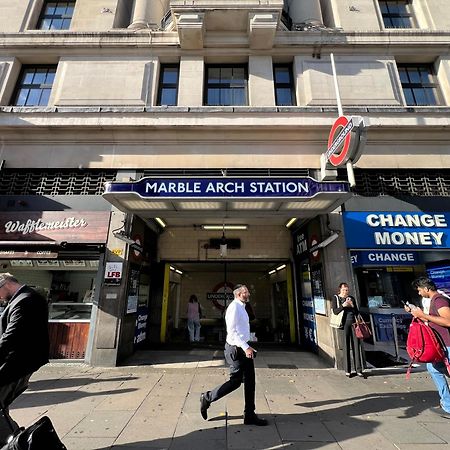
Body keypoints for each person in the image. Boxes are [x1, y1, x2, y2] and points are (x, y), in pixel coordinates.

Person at [200, 284, 267, 426]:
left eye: (247, 291)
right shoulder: (234, 308)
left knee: (250, 381)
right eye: (245, 292)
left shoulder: (242, 307)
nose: (248, 294)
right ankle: (207, 397)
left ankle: (249, 414)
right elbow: (232, 332)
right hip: (236, 350)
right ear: (238, 294)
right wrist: (245, 347)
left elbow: (241, 330)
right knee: (235, 381)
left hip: (243, 347)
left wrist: (248, 343)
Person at [0, 273, 50, 445]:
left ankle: (16, 442)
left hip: (17, 363)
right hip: (18, 362)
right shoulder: (23, 298)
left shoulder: (25, 300)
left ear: (5, 284)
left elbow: (11, 338)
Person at [407, 277, 450, 419]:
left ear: (426, 288)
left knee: (437, 370)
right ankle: (447, 404)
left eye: (419, 290)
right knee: (433, 369)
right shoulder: (434, 301)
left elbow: (448, 321)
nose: (419, 293)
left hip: (447, 344)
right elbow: (432, 320)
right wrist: (416, 314)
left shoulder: (439, 300)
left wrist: (423, 315)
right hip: (440, 345)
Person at [332, 282, 365, 378]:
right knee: (346, 346)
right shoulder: (336, 298)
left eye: (347, 290)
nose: (345, 292)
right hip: (343, 324)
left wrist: (352, 306)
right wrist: (344, 305)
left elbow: (357, 312)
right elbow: (335, 311)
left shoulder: (351, 298)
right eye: (343, 290)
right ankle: (347, 370)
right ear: (340, 290)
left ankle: (358, 369)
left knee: (356, 346)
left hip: (354, 324)